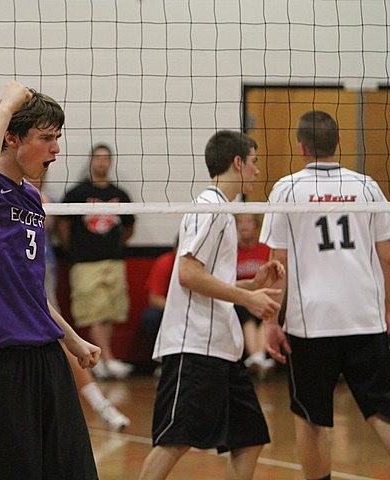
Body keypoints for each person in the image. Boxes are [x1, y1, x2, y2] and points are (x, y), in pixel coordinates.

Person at [0, 81, 100, 479]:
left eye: (57, 138)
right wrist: (5, 107)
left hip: (46, 359)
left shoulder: (31, 198)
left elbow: (29, 291)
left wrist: (72, 340)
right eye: (46, 138)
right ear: (10, 136)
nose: (56, 149)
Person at [140, 130, 284, 480]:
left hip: (221, 349)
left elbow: (205, 279)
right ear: (237, 162)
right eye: (254, 162)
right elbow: (188, 274)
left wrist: (251, 284)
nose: (257, 171)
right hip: (195, 347)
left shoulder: (223, 210)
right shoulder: (213, 209)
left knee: (249, 437)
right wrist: (248, 298)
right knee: (175, 440)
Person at [260, 110, 390, 480]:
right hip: (364, 316)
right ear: (338, 143)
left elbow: (276, 264)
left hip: (311, 323)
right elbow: (387, 257)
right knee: (382, 411)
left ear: (300, 146)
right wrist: (388, 310)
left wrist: (271, 320)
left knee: (311, 418)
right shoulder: (367, 187)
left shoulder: (286, 189)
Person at [58, 143, 135, 379]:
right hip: (85, 262)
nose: (101, 162)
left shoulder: (120, 194)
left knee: (110, 310)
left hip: (113, 259)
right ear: (92, 161)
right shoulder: (76, 194)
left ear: (110, 162)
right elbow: (63, 226)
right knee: (93, 311)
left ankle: (103, 358)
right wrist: (73, 249)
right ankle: (106, 358)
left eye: (105, 158)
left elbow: (129, 227)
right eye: (98, 158)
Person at [234, 213, 274, 379]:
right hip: (239, 300)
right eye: (240, 222)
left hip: (262, 297)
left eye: (248, 222)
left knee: (265, 309)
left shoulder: (266, 250)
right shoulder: (231, 251)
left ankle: (257, 358)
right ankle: (260, 358)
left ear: (256, 227)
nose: (244, 226)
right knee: (246, 313)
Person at [139, 238, 177, 361]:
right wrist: (177, 311)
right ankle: (162, 359)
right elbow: (154, 299)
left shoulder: (204, 264)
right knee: (151, 317)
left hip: (198, 310)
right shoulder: (165, 262)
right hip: (171, 310)